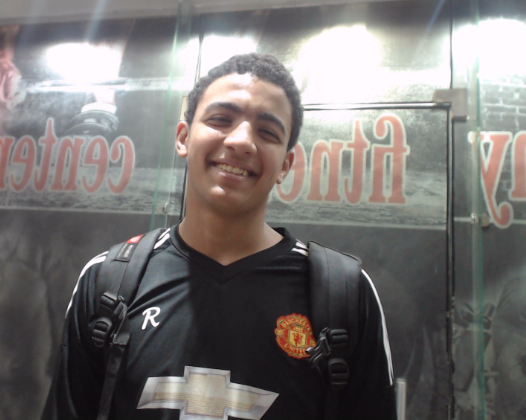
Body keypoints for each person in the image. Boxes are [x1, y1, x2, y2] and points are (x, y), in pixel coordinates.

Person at [41, 53, 397, 420]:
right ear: (183, 138)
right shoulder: (108, 282)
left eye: (268, 132)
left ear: (285, 165)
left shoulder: (344, 293)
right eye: (220, 119)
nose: (241, 141)